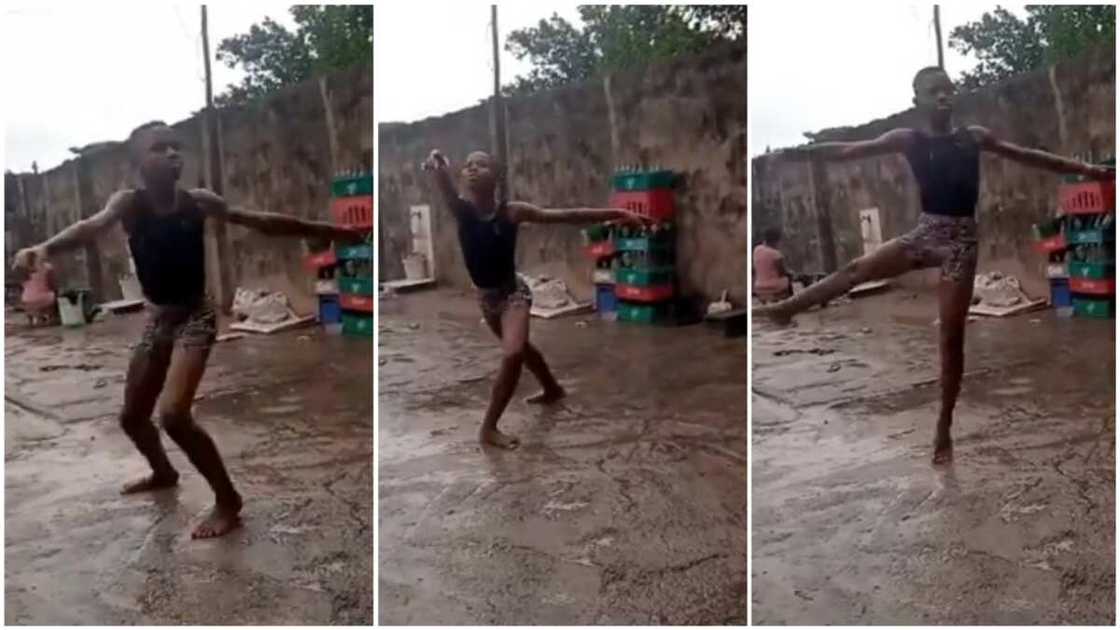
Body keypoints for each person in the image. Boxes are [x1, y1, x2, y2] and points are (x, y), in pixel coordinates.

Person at [12, 121, 363, 538]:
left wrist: (325, 231)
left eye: (175, 146)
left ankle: (228, 500)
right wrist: (45, 247)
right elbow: (91, 226)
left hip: (196, 316)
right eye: (160, 148)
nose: (173, 153)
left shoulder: (197, 202)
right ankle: (163, 472)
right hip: (158, 319)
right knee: (132, 417)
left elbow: (260, 220)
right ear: (138, 163)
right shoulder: (129, 204)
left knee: (174, 415)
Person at [753, 66, 1114, 465]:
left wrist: (1086, 170)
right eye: (933, 91)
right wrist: (796, 152)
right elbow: (847, 151)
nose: (943, 96)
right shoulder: (908, 139)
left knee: (950, 337)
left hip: (960, 243)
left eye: (947, 89)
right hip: (926, 233)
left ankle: (944, 425)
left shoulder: (973, 137)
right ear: (917, 101)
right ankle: (787, 308)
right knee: (856, 270)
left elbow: (1027, 155)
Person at [422, 149, 650, 449]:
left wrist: (618, 214)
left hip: (513, 295)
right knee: (524, 350)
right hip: (486, 300)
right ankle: (552, 388)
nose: (473, 169)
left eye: (482, 165)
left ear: (497, 176)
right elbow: (445, 188)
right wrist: (439, 166)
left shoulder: (512, 212)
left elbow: (569, 216)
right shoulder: (462, 211)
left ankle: (489, 427)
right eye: (468, 165)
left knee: (513, 353)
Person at [753, 227, 792, 303]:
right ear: (777, 240)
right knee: (788, 279)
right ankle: (789, 302)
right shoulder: (776, 254)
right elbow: (781, 273)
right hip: (774, 287)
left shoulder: (757, 250)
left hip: (758, 286)